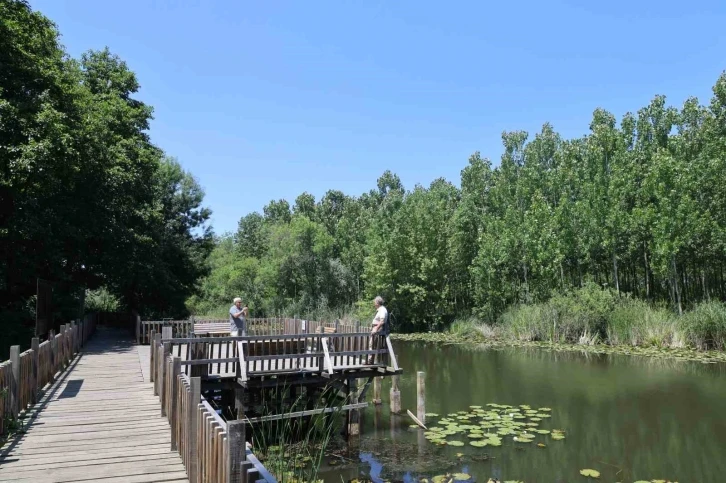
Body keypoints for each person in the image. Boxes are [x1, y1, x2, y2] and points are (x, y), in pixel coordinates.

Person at [367, 295, 388, 364]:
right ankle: (370, 360)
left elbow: (382, 321)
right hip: (376, 329)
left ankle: (370, 361)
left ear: (377, 303)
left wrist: (376, 328)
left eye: (374, 302)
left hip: (377, 329)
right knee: (372, 344)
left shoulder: (382, 310)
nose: (374, 304)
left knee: (371, 344)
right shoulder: (381, 309)